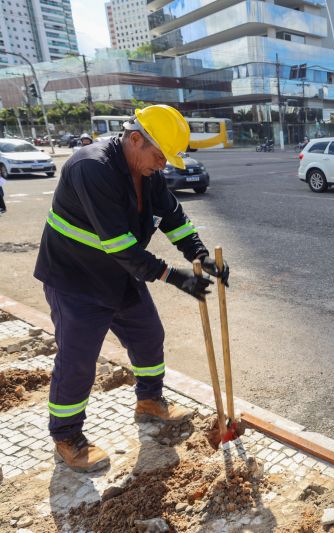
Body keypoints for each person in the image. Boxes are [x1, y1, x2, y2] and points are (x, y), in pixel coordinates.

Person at [34, 104, 230, 473]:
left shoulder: (150, 174)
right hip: (76, 280)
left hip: (119, 276)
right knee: (78, 361)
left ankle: (149, 400)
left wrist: (202, 257)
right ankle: (66, 435)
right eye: (159, 156)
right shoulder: (91, 167)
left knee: (148, 336)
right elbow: (120, 245)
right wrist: (175, 277)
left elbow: (173, 218)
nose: (162, 165)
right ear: (135, 139)